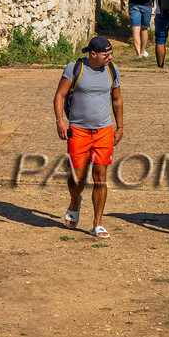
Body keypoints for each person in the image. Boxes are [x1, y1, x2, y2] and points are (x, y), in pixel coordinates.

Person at [52, 35, 123, 239]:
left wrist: (120, 127)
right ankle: (75, 202)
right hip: (79, 131)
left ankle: (97, 223)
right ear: (93, 54)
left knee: (100, 177)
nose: (109, 57)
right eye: (105, 54)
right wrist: (60, 121)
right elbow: (59, 95)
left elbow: (117, 98)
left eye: (110, 53)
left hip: (103, 131)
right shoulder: (75, 68)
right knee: (78, 178)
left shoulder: (112, 69)